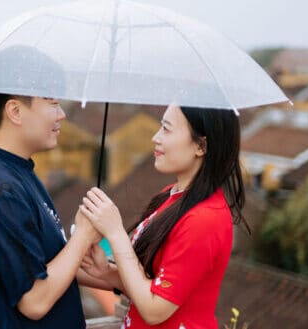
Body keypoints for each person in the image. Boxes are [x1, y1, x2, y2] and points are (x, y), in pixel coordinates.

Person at [0, 46, 107, 329]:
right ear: (15, 110)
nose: (61, 114)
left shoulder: (15, 170)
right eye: (52, 102)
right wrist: (84, 234)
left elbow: (47, 264)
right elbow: (35, 300)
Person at [78, 104, 249, 329]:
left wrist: (116, 232)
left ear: (201, 145)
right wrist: (106, 272)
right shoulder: (172, 196)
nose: (155, 138)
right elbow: (150, 285)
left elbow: (154, 310)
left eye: (167, 129)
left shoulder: (204, 220)